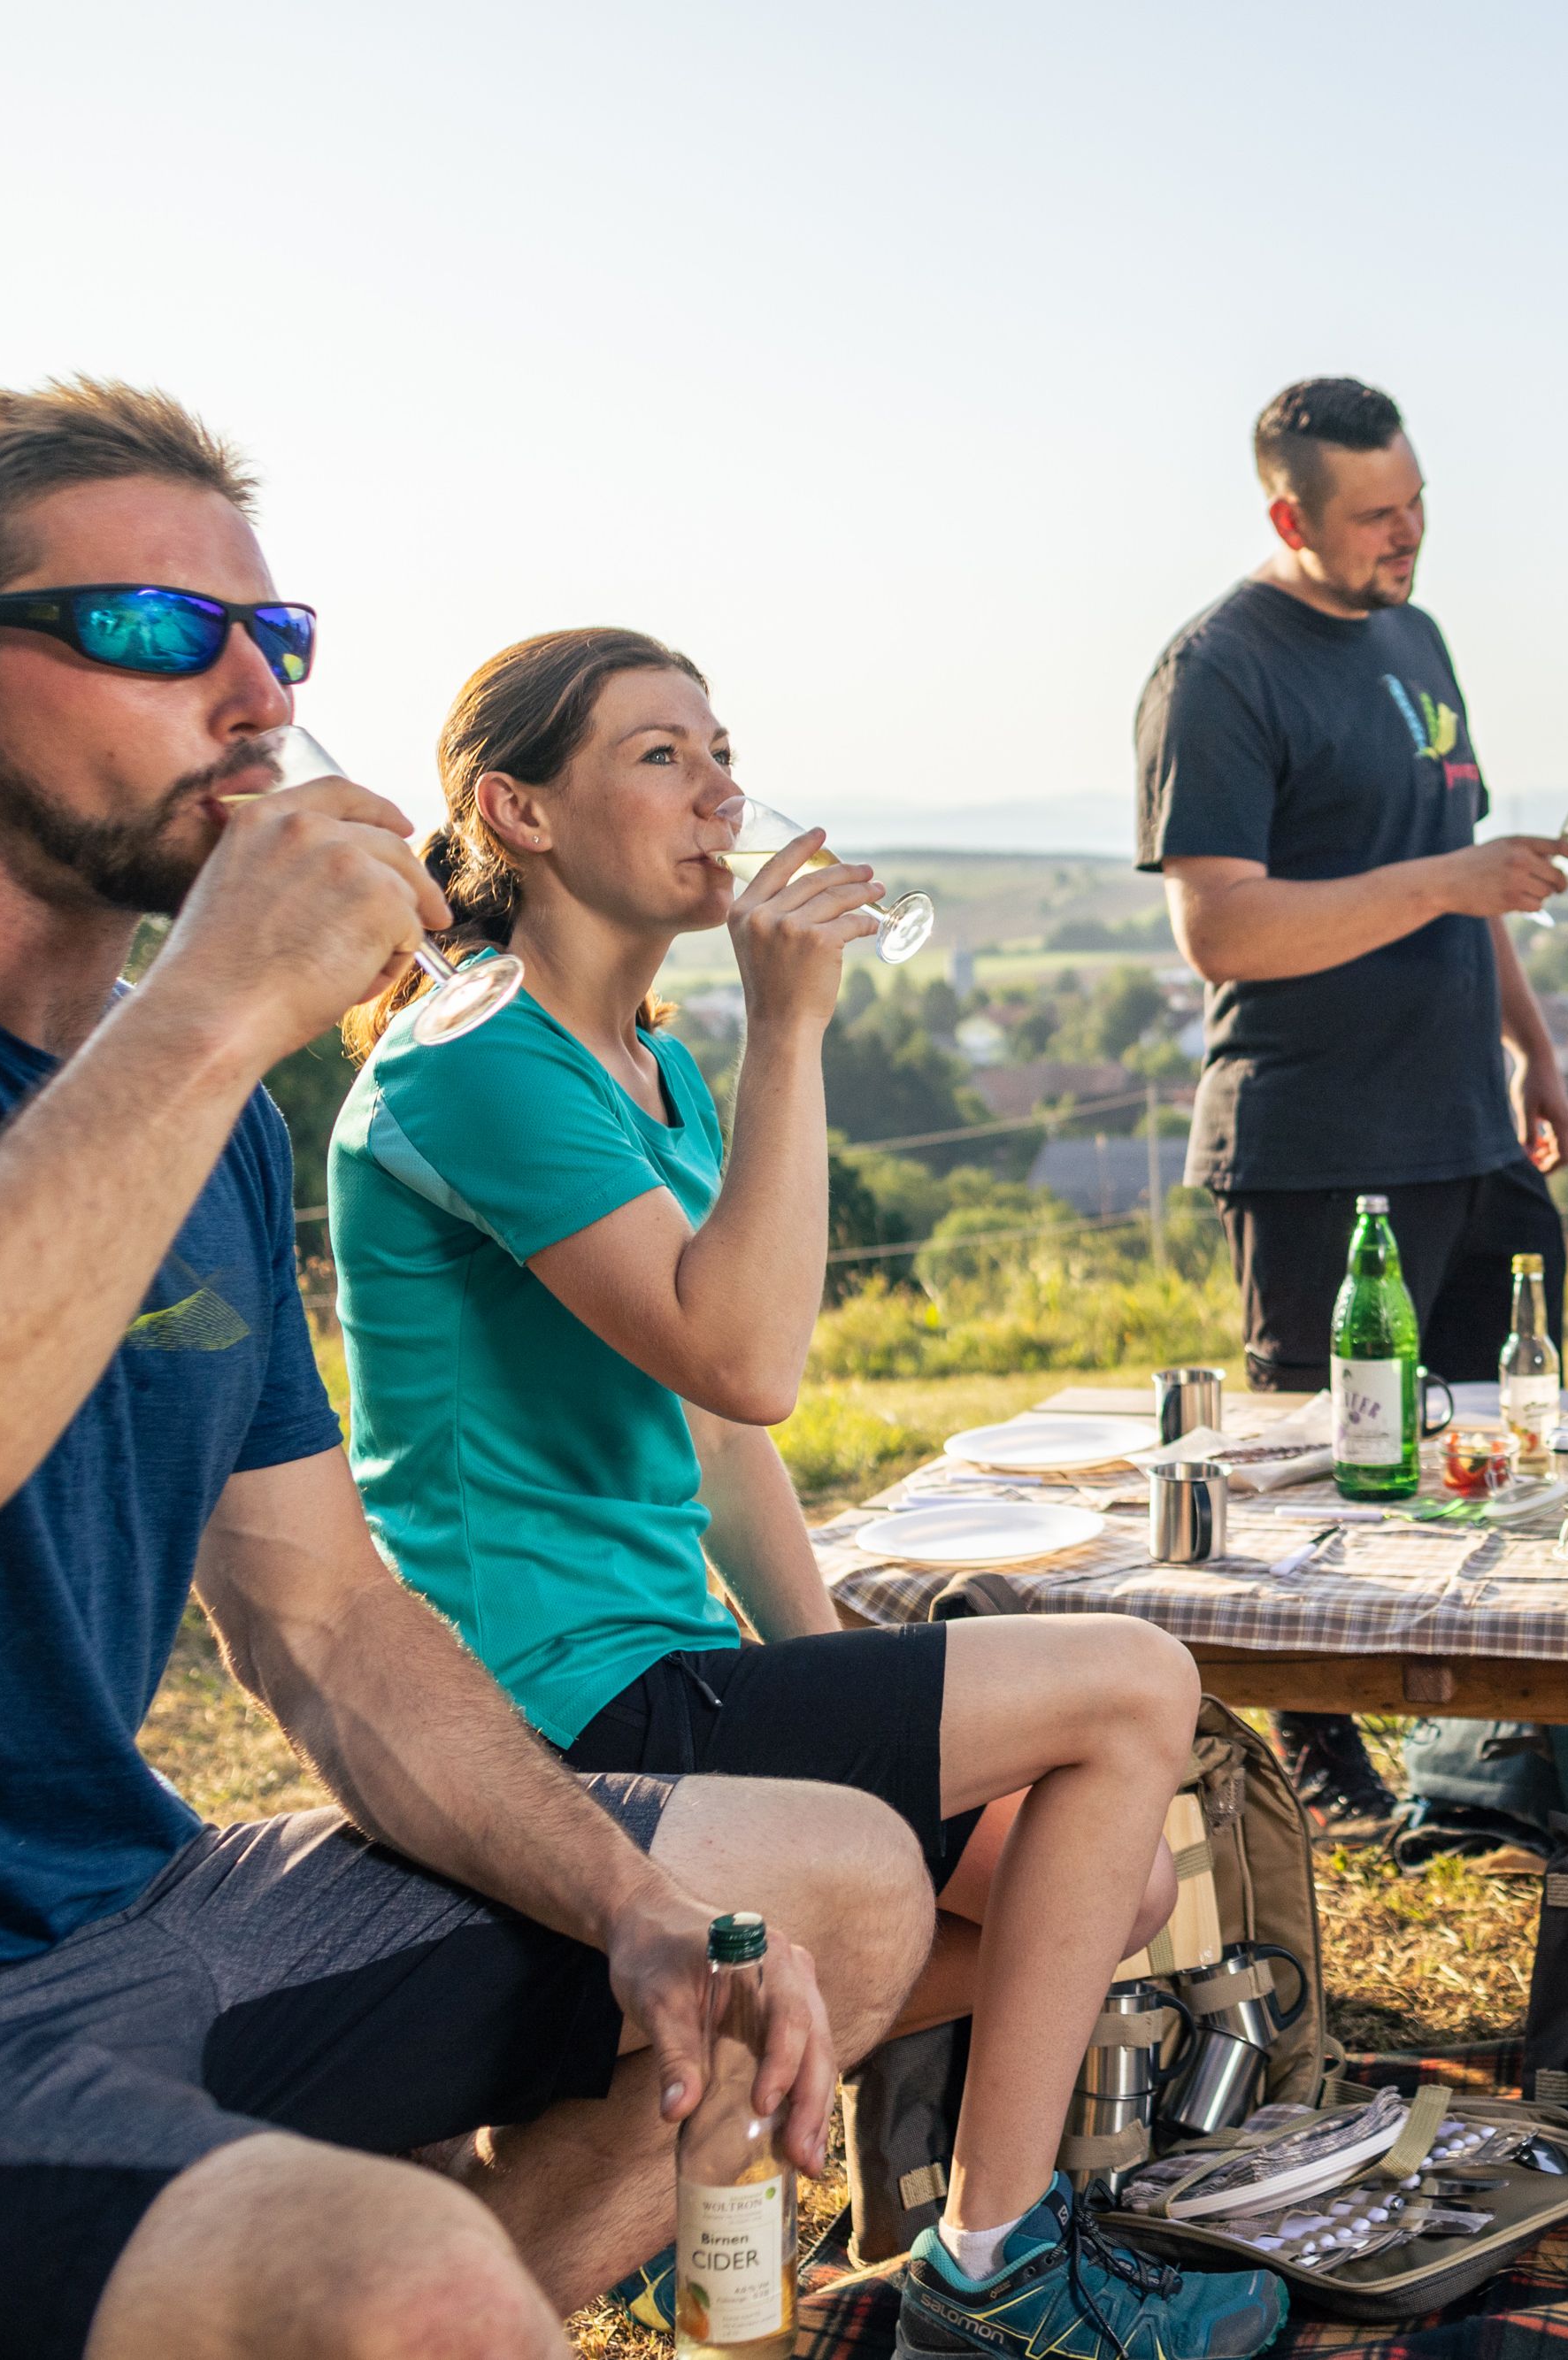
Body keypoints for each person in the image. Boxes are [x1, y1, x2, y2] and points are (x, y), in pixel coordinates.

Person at [0, 381, 941, 2360]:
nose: (247, 695)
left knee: (818, 1883)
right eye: (145, 630)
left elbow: (321, 1621)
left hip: (121, 1903)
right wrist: (210, 1006)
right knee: (398, 2280)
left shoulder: (206, 1119)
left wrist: (624, 1902)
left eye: (273, 641)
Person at [327, 628, 1282, 2360]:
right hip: (547, 1697)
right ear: (516, 811)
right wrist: (790, 1029)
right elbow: (749, 1355)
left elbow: (716, 1439)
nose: (722, 794)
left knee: (1102, 1876)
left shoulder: (644, 1069)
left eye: (721, 750)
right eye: (660, 758)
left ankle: (645, 2122)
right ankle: (997, 2264)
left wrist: (844, 1677)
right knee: (1136, 1679)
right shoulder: (469, 1060)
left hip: (672, 1656)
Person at [1135, 376, 1568, 1835]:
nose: (1408, 538)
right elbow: (1225, 932)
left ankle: (1480, 1763)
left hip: (1467, 1113)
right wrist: (1451, 884)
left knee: (1501, 1442)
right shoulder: (1219, 668)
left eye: (1417, 506)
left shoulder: (1417, 634)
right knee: (1319, 1457)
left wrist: (1531, 1044)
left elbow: (1463, 864)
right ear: (1289, 514)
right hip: (1317, 1136)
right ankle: (1311, 1754)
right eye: (1376, 516)